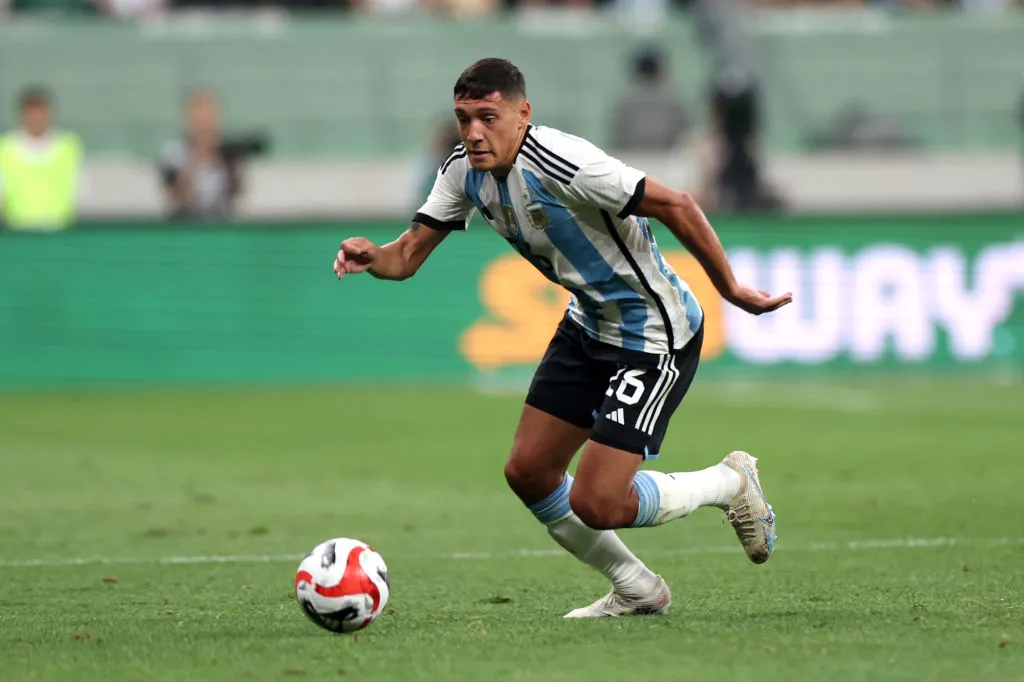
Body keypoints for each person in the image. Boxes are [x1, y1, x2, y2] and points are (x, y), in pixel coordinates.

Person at [332, 58, 792, 618]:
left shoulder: (563, 162)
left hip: (653, 334)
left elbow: (678, 204)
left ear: (522, 114)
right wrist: (373, 256)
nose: (474, 132)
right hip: (587, 325)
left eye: (488, 117)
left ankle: (727, 482)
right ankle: (637, 587)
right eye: (463, 119)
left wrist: (732, 289)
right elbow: (405, 257)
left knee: (597, 501)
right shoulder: (461, 170)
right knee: (528, 471)